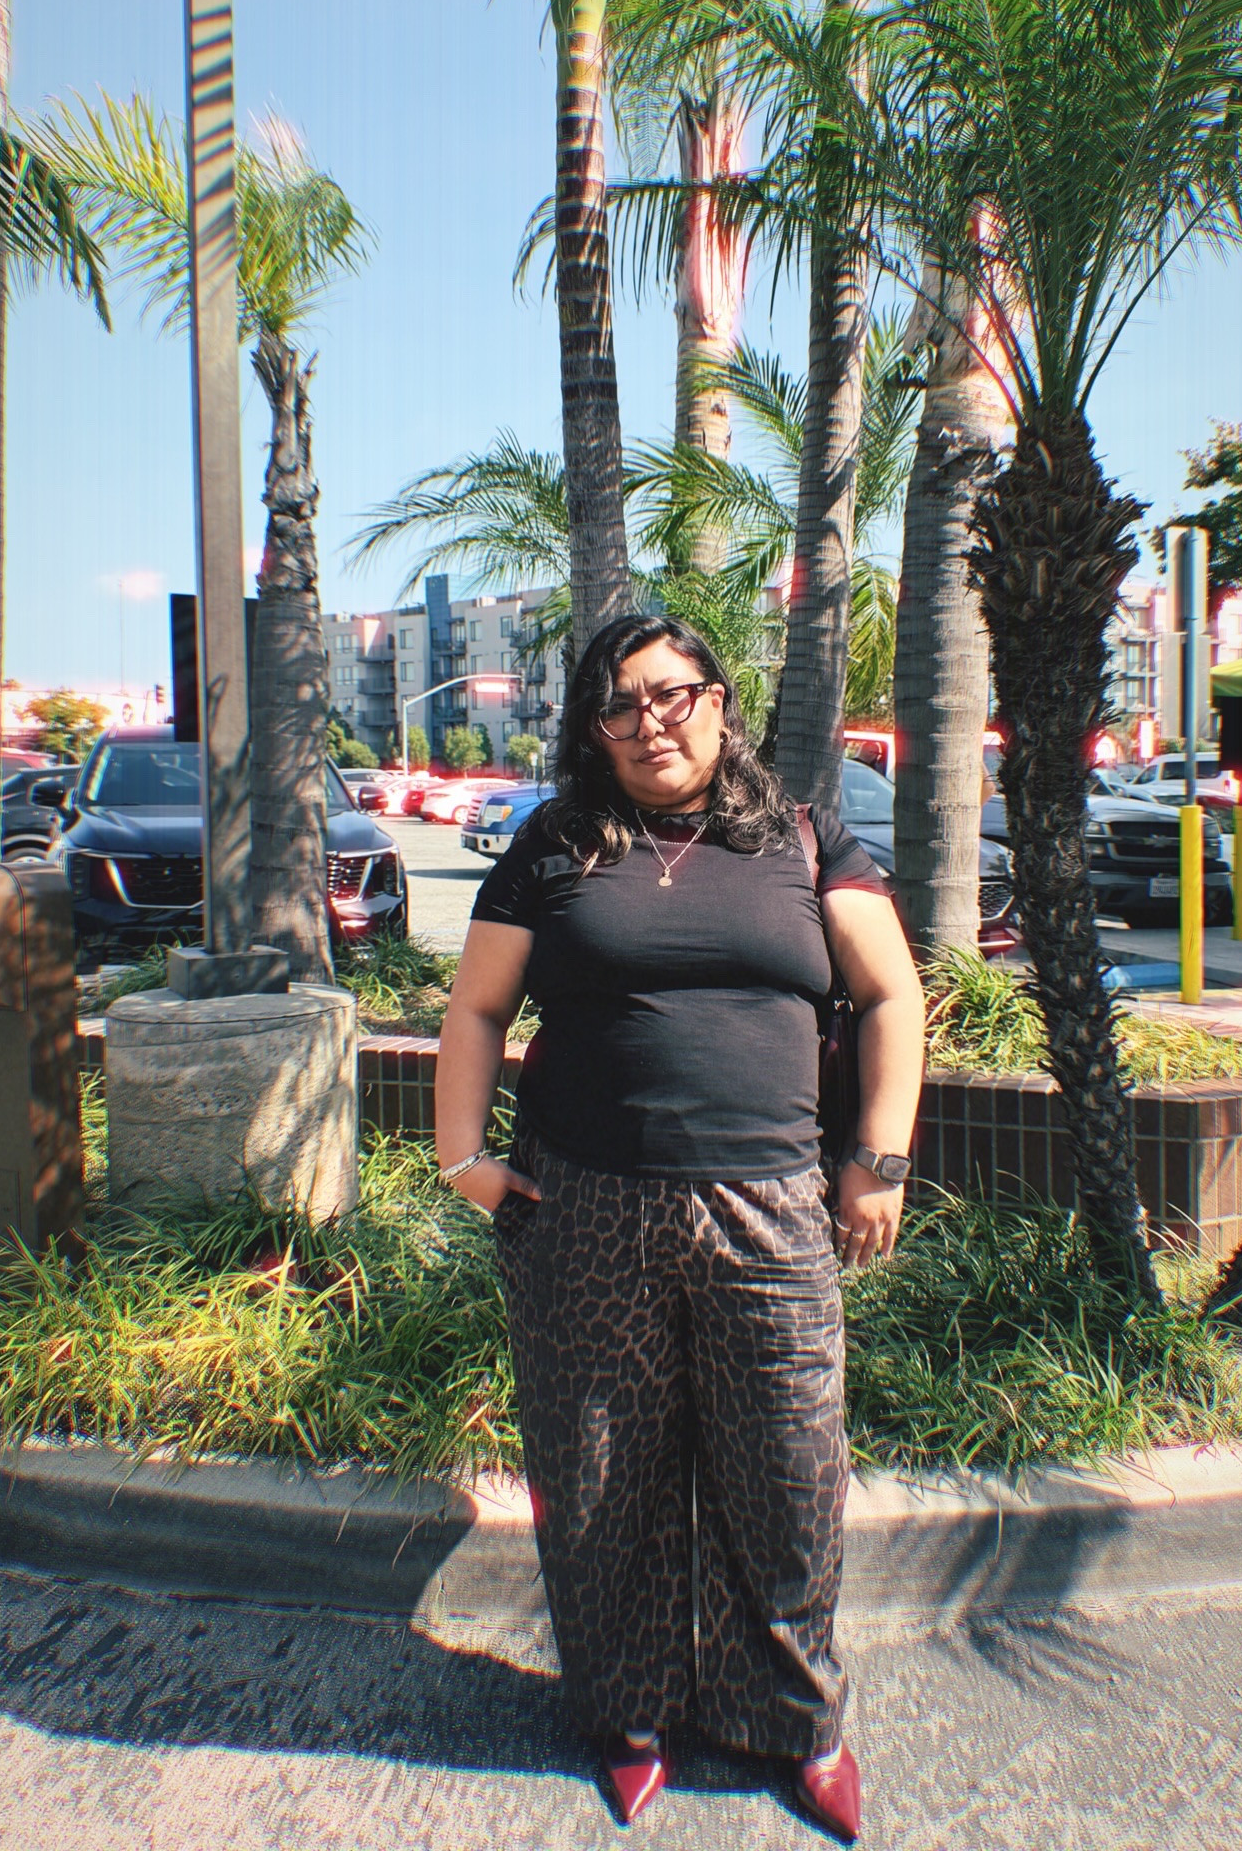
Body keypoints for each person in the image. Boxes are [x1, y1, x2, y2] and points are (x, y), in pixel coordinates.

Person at [435, 616, 925, 1840]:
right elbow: (478, 1009)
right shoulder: (554, 845)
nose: (650, 722)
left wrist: (877, 1162)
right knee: (603, 1477)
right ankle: (631, 1712)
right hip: (586, 1205)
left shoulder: (803, 837)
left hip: (772, 1205)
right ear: (590, 729)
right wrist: (464, 1161)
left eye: (673, 695)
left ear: (720, 702)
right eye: (619, 705)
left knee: (788, 1474)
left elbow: (890, 993)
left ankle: (794, 1722)